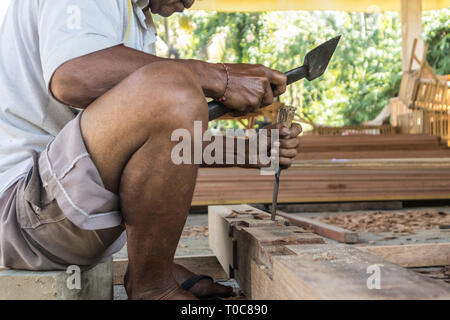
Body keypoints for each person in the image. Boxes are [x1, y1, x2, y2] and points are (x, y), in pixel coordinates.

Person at [0, 0, 302, 300]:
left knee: (173, 88)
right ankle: (152, 287)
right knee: (171, 87)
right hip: (24, 216)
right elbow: (73, 76)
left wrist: (248, 150)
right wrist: (216, 78)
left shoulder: (134, 16)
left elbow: (152, 137)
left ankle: (153, 270)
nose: (190, 2)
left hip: (58, 213)